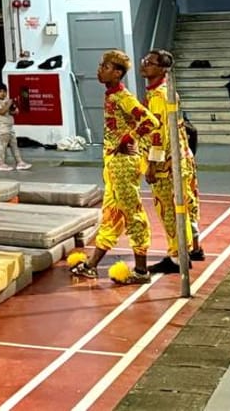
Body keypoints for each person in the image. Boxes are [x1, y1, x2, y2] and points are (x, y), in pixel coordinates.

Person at [71, 50, 160, 285]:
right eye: (101, 66)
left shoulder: (123, 97)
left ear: (118, 73)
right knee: (111, 213)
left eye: (105, 67)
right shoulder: (112, 95)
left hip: (123, 164)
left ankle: (141, 270)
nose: (99, 70)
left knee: (133, 214)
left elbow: (151, 121)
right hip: (113, 163)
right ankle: (92, 265)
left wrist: (128, 138)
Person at [140, 50, 204, 273]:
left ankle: (177, 257)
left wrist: (152, 164)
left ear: (162, 69)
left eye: (150, 62)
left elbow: (159, 134)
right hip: (181, 158)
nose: (144, 65)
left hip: (167, 164)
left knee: (169, 209)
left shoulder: (160, 95)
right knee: (187, 204)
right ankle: (194, 247)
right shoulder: (164, 91)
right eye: (144, 61)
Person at [0, 83, 29, 171]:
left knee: (14, 145)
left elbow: (10, 111)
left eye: (4, 91)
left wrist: (14, 110)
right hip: (2, 127)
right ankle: (0, 163)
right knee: (3, 146)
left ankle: (20, 162)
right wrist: (8, 104)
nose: (3, 93)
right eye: (0, 91)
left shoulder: (7, 100)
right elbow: (1, 111)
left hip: (9, 127)